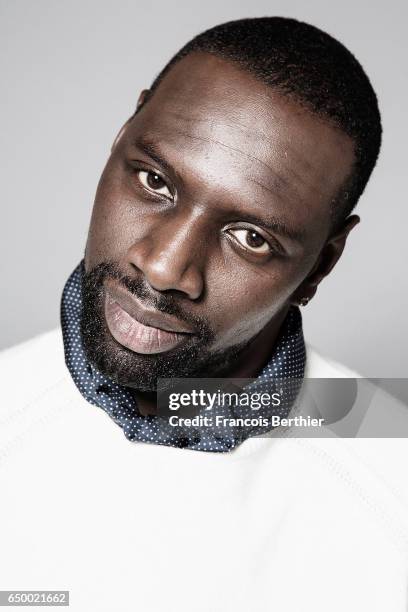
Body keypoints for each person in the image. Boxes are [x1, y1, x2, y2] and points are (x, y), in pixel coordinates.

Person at [1, 17, 407, 611]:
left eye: (250, 237)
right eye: (154, 180)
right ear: (121, 132)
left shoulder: (392, 485)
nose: (165, 269)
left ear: (322, 265)